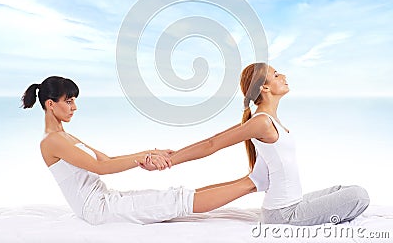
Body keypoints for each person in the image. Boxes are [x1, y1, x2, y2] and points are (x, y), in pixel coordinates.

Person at [22, 76, 269, 225]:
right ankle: (253, 183)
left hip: (105, 200)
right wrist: (142, 158)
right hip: (97, 210)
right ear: (50, 105)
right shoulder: (52, 141)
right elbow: (102, 168)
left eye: (74, 100)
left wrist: (149, 152)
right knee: (176, 201)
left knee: (175, 194)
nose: (74, 107)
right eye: (69, 101)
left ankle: (251, 181)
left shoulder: (64, 136)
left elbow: (107, 158)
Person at [149, 63, 370, 226]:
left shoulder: (270, 121)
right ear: (265, 88)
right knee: (359, 195)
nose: (283, 75)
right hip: (284, 215)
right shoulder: (262, 122)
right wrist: (171, 158)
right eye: (275, 74)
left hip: (292, 205)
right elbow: (212, 143)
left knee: (345, 190)